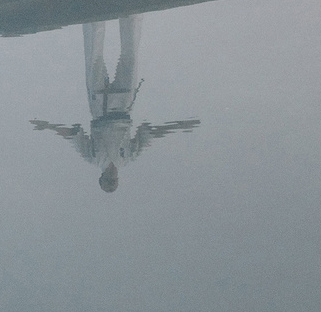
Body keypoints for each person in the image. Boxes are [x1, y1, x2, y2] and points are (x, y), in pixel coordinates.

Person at [31, 17, 200, 192]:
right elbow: (150, 134)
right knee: (130, 57)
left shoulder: (93, 158)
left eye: (108, 183)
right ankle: (131, 15)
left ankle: (95, 16)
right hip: (123, 106)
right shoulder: (127, 157)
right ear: (118, 180)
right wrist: (178, 125)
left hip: (99, 108)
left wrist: (48, 126)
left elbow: (73, 135)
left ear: (101, 179)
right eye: (114, 183)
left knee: (94, 56)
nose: (111, 181)